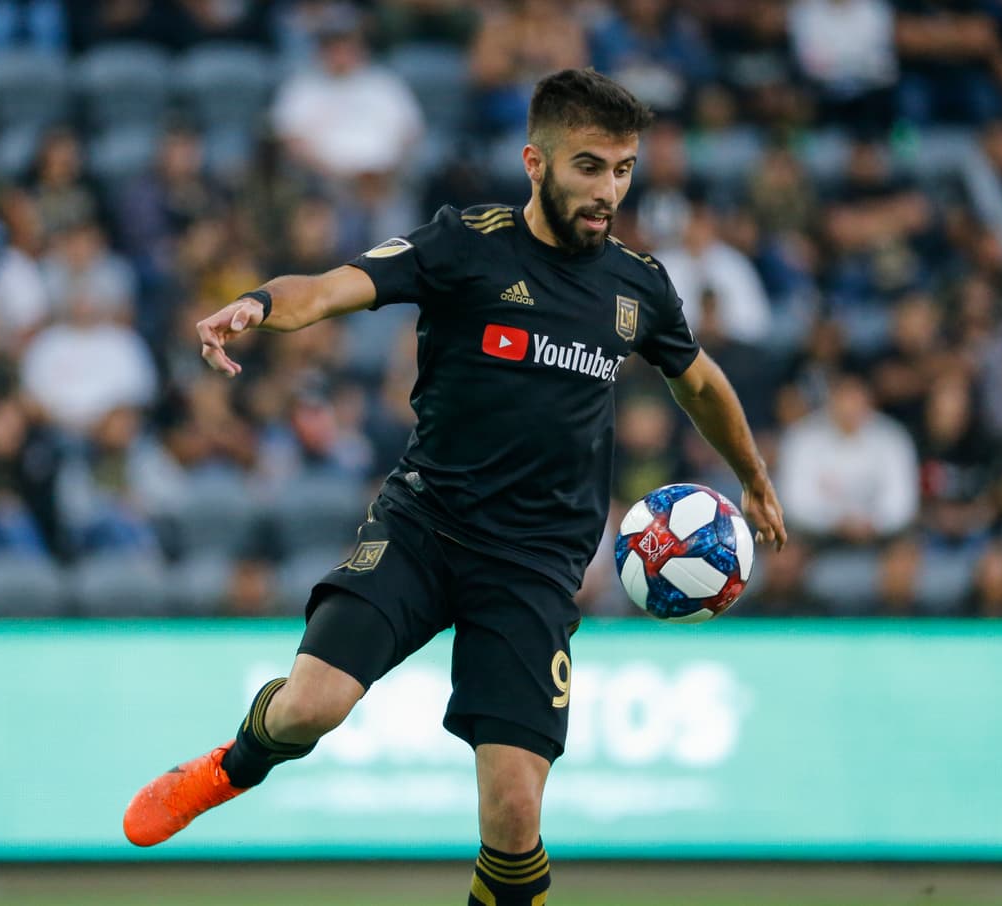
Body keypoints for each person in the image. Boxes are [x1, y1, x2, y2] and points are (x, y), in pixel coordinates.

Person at [121, 68, 787, 905]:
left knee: (513, 814)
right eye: (590, 166)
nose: (609, 190)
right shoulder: (464, 244)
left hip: (535, 568)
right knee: (309, 709)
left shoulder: (637, 286)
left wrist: (753, 478)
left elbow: (696, 380)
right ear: (535, 163)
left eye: (622, 170)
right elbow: (331, 287)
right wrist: (256, 303)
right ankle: (231, 765)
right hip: (425, 525)